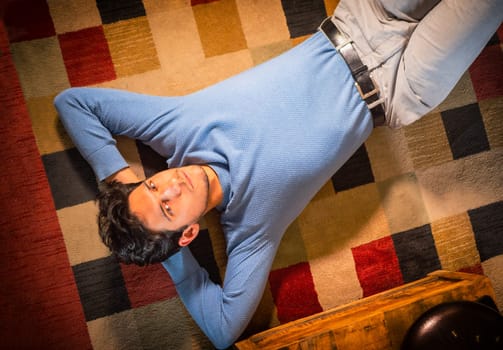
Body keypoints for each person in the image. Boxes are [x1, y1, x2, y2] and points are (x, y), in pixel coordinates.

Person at [54, 0, 502, 348]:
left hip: (361, 19)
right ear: (189, 233)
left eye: (152, 185)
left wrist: (117, 179)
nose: (171, 183)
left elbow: (71, 103)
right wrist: (169, 253)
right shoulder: (251, 230)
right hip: (401, 87)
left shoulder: (177, 128)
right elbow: (224, 329)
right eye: (167, 206)